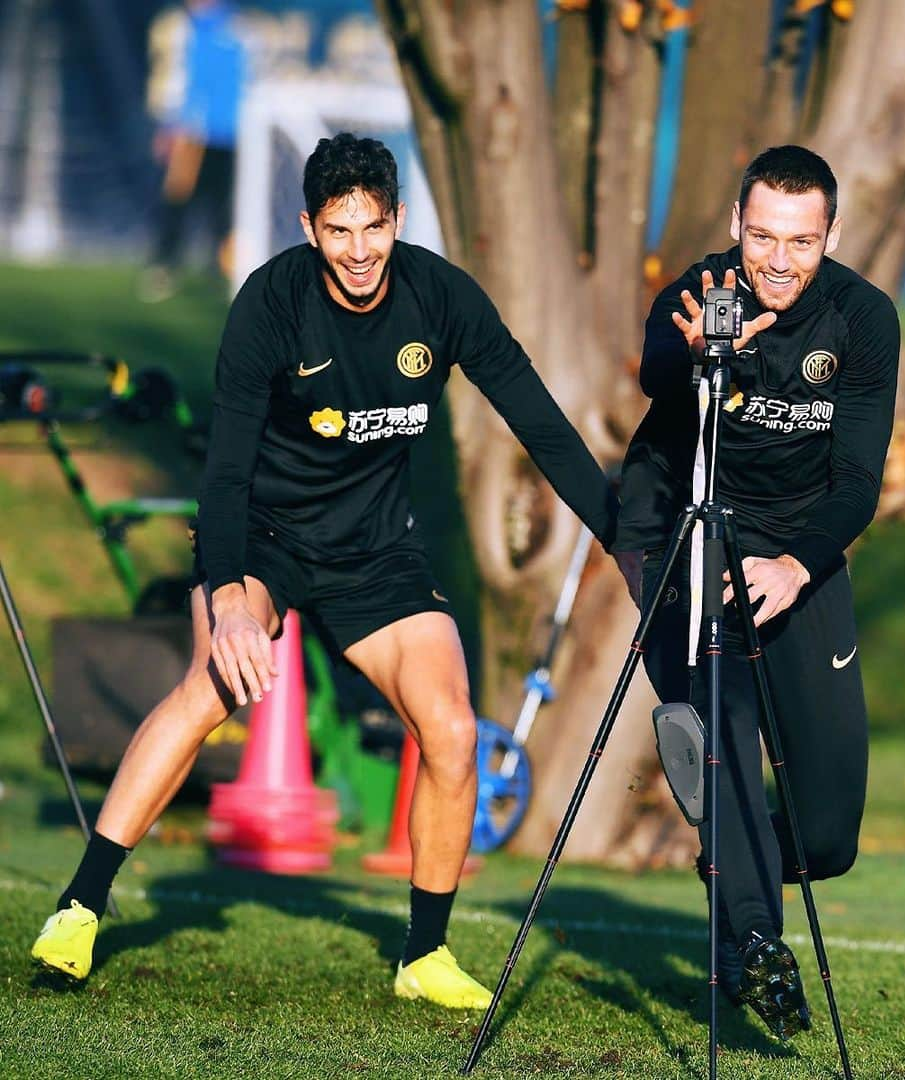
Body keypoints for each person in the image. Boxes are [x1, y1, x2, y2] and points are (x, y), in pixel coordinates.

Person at [32, 133, 634, 1008]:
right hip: (263, 536)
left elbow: (539, 424)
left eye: (375, 227)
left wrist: (619, 534)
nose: (359, 251)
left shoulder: (441, 298)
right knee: (213, 691)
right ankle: (81, 905)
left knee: (455, 733)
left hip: (377, 547)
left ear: (397, 220)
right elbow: (226, 471)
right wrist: (233, 600)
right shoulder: (271, 304)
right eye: (339, 230)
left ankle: (422, 956)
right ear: (309, 226)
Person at [614, 145, 899, 1039]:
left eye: (802, 242)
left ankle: (734, 872)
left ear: (832, 236)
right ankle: (755, 945)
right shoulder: (701, 298)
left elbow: (857, 481)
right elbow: (658, 370)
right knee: (727, 726)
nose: (778, 260)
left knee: (827, 836)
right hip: (686, 532)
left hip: (799, 554)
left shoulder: (862, 318)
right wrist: (697, 357)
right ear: (738, 225)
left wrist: (796, 565)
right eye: (763, 236)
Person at [140, 0, 246, 302]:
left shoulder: (240, 25)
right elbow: (168, 79)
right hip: (192, 132)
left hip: (232, 134)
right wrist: (169, 124)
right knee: (178, 199)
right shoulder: (175, 26)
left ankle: (226, 272)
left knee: (224, 208)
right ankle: (164, 265)